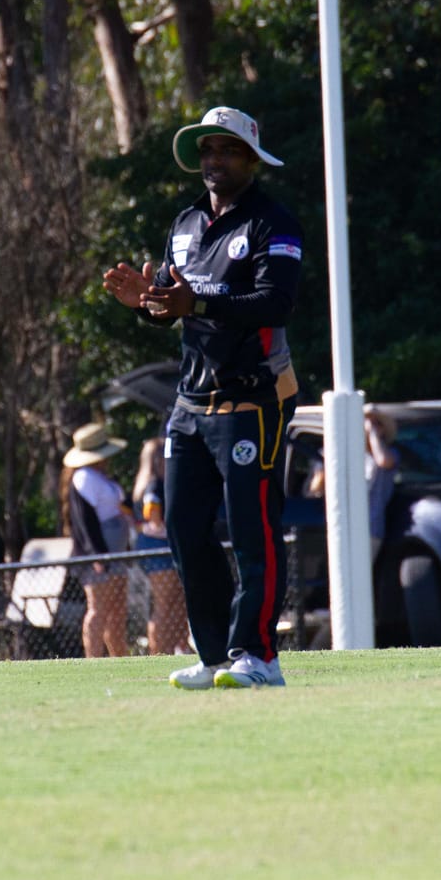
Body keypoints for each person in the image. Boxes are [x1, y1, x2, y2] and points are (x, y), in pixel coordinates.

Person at [101, 105, 302, 689]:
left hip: (254, 401)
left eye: (228, 151)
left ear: (252, 160)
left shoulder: (272, 223)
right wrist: (149, 304)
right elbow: (174, 306)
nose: (214, 161)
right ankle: (215, 656)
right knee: (184, 531)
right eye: (207, 151)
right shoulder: (185, 223)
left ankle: (259, 657)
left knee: (251, 530)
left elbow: (275, 304)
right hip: (190, 406)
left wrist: (198, 304)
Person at [62, 422, 134, 658]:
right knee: (99, 609)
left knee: (117, 611)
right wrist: (98, 555)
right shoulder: (84, 478)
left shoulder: (99, 477)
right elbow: (85, 522)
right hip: (100, 555)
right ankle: (93, 658)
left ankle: (119, 656)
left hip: (115, 552)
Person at [307, 409, 402, 560]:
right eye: (364, 422)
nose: (369, 426)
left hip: (370, 528)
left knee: (361, 577)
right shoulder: (334, 453)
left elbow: (384, 461)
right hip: (336, 527)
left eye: (377, 424)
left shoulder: (390, 453)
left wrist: (373, 435)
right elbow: (315, 488)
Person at [132, 436, 190, 655]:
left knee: (176, 602)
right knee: (164, 604)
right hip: (157, 547)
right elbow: (152, 514)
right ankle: (159, 652)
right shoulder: (154, 484)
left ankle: (179, 647)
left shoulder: (146, 482)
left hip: (158, 545)